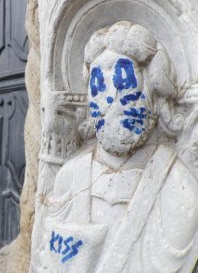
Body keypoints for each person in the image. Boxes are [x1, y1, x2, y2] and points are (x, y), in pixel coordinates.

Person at [32, 22, 198, 272]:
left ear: (155, 94)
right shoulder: (70, 175)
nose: (110, 98)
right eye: (99, 85)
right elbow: (45, 258)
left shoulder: (179, 190)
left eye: (122, 83)